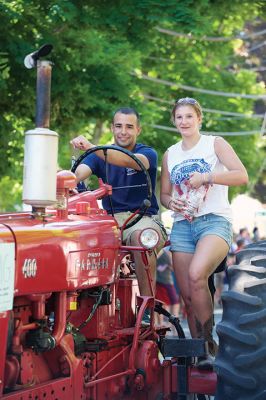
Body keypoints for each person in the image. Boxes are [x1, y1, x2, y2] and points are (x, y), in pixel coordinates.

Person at [160, 97, 248, 369]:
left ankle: (208, 342)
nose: (184, 122)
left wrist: (207, 177)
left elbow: (241, 175)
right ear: (174, 121)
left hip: (214, 221)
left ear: (199, 119)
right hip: (183, 224)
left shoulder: (214, 143)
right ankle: (200, 354)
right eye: (179, 117)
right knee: (187, 295)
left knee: (198, 274)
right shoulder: (170, 153)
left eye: (189, 116)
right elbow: (164, 193)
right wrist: (170, 202)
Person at [70, 107, 167, 323]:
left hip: (141, 219)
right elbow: (78, 174)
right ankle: (80, 308)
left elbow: (128, 161)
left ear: (138, 130)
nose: (123, 131)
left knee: (139, 238)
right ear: (112, 127)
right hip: (110, 222)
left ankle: (147, 308)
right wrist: (73, 170)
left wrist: (92, 147)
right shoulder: (98, 155)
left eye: (129, 127)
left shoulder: (147, 153)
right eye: (119, 126)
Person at [155, 245, 180, 327]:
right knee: (169, 303)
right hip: (164, 281)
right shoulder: (166, 252)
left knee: (162, 303)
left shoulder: (160, 252)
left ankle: (165, 324)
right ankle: (170, 325)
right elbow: (173, 266)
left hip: (163, 281)